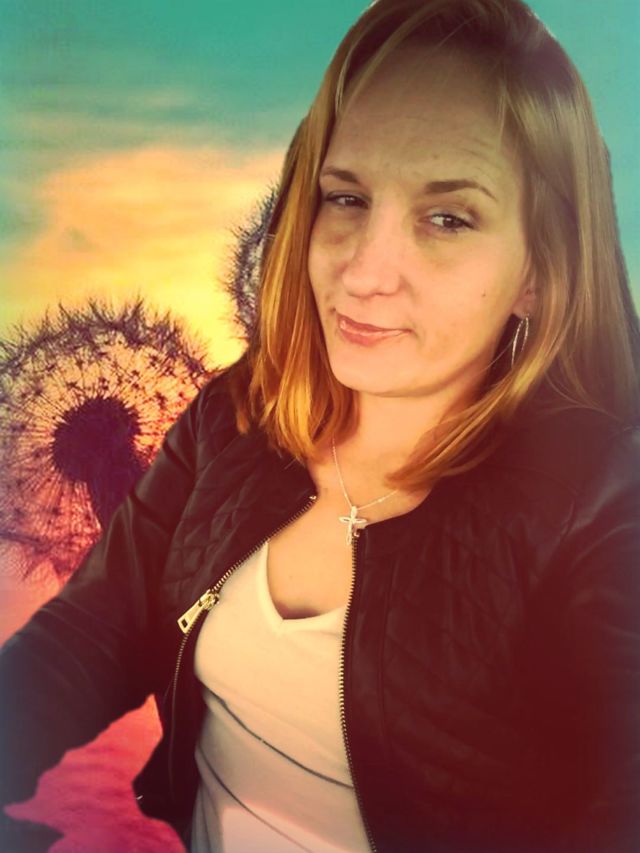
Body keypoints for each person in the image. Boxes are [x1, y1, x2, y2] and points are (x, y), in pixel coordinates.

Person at [1, 0, 639, 850]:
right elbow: (92, 631)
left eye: (447, 218)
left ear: (541, 272)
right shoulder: (239, 413)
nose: (364, 272)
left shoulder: (606, 506)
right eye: (346, 198)